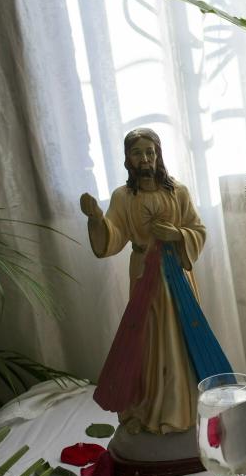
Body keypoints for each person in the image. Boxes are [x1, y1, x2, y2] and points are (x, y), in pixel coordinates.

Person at [80, 128, 231, 437]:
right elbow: (114, 236)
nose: (146, 158)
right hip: (144, 275)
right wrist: (97, 219)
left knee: (180, 337)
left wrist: (177, 235)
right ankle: (149, 406)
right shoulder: (124, 197)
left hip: (177, 273)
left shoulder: (179, 192)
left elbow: (198, 229)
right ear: (128, 159)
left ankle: (182, 408)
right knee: (148, 339)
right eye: (138, 153)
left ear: (158, 155)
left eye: (150, 152)